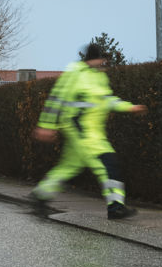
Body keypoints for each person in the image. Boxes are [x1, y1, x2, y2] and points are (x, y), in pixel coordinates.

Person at [30, 42, 147, 219]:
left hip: (92, 133)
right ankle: (115, 206)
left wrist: (130, 108)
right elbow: (56, 99)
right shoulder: (74, 73)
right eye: (101, 59)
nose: (103, 63)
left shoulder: (99, 77)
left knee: (69, 167)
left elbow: (108, 100)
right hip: (80, 130)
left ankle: (40, 195)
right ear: (94, 58)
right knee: (107, 163)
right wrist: (46, 125)